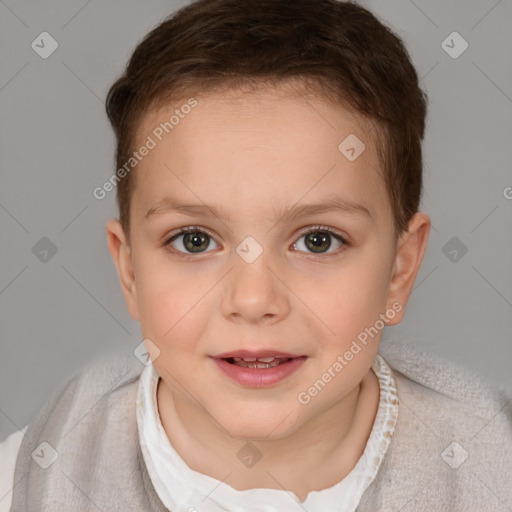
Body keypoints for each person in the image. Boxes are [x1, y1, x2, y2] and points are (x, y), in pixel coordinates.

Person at [2, 0, 511, 510]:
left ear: (399, 271)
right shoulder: (31, 481)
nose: (253, 300)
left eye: (318, 240)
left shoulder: (491, 469)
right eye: (194, 240)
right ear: (130, 270)